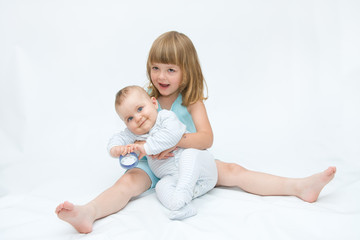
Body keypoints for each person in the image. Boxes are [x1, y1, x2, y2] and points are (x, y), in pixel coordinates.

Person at [55, 31, 336, 234]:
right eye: (155, 68)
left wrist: (172, 142)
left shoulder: (191, 100)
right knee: (126, 184)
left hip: (188, 159)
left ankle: (299, 186)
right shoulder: (146, 100)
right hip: (154, 165)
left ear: (186, 73)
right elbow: (129, 131)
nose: (161, 76)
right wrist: (129, 147)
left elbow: (206, 138)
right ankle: (88, 213)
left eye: (170, 69)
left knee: (235, 171)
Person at [108, 85, 217, 220]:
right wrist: (116, 149)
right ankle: (181, 205)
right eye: (129, 118)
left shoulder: (165, 117)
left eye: (140, 109)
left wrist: (145, 148)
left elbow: (171, 136)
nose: (137, 118)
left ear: (154, 103)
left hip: (201, 169)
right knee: (161, 186)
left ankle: (183, 193)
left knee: (189, 155)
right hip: (181, 179)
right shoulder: (135, 134)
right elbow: (118, 138)